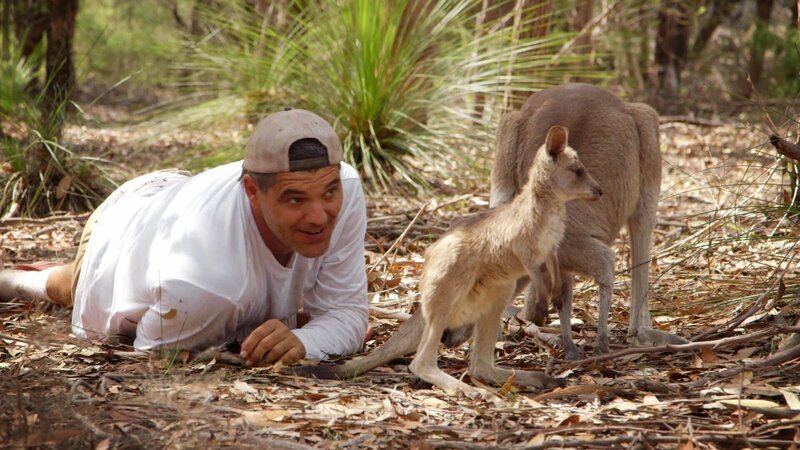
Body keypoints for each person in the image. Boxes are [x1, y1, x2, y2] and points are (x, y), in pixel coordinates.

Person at [0, 109, 369, 366]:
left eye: (328, 192)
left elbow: (347, 314)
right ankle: (14, 280)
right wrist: (292, 331)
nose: (320, 215)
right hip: (119, 229)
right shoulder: (203, 287)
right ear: (252, 190)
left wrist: (305, 340)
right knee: (69, 286)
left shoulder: (347, 190)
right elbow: (150, 354)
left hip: (175, 194)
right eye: (295, 198)